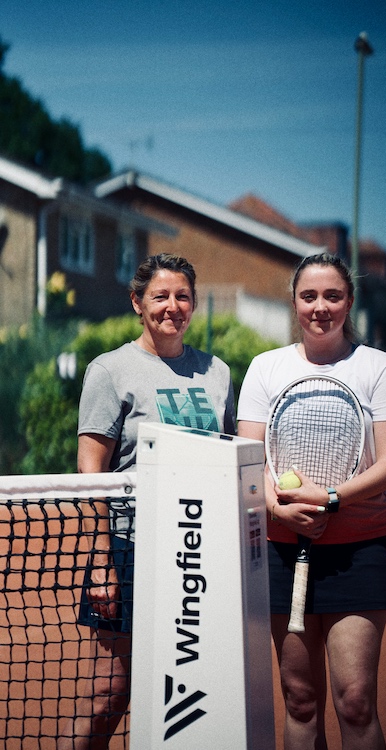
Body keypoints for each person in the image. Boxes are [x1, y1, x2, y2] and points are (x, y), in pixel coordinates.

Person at [57, 253, 236, 750]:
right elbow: (91, 472)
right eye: (160, 296)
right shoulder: (110, 370)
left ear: (194, 304)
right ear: (137, 302)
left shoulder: (217, 372)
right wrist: (100, 563)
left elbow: (229, 459)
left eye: (183, 296)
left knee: (194, 688)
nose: (172, 307)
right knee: (109, 692)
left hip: (198, 556)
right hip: (130, 549)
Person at [237, 252, 386, 750]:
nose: (320, 307)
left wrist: (329, 498)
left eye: (332, 295)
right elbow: (251, 459)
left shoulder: (378, 367)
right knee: (300, 699)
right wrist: (277, 507)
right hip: (281, 552)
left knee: (355, 701)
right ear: (294, 302)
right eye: (309, 296)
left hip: (360, 551)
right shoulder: (266, 369)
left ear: (349, 301)